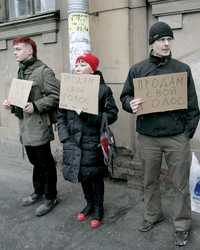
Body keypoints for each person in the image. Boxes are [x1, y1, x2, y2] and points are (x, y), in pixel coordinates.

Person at [120, 22, 200, 246]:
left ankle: (182, 224)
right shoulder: (138, 70)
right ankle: (152, 215)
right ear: (152, 43)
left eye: (168, 39)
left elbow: (193, 107)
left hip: (176, 137)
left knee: (180, 184)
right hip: (148, 137)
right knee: (149, 181)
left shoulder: (181, 69)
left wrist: (186, 135)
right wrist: (130, 104)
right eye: (160, 40)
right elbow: (125, 97)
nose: (166, 43)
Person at [57, 52, 118, 229]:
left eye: (83, 65)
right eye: (77, 65)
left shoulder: (103, 89)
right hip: (73, 142)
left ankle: (99, 209)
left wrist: (86, 114)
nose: (78, 68)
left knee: (95, 177)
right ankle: (89, 204)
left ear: (93, 69)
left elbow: (112, 115)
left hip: (93, 142)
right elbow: (60, 115)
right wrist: (64, 136)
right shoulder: (68, 88)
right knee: (82, 175)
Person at [3, 36, 60, 216]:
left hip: (39, 124)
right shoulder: (21, 71)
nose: (15, 53)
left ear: (30, 50)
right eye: (14, 50)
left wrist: (36, 105)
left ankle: (51, 196)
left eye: (18, 49)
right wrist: (11, 103)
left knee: (45, 162)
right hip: (25, 126)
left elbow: (56, 96)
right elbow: (21, 97)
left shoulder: (43, 71)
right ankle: (39, 191)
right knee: (35, 161)